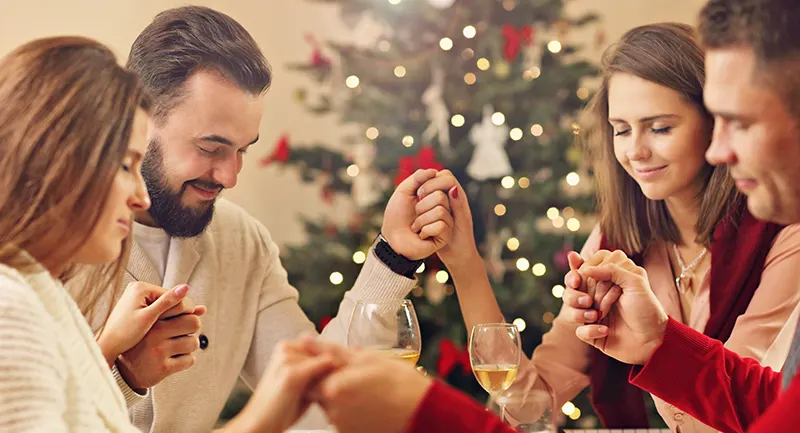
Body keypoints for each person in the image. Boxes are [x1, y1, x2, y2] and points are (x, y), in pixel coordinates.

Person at [83, 5, 456, 432]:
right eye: (210, 148)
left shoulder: (240, 240)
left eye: (242, 150)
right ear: (140, 119)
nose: (230, 176)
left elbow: (317, 390)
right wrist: (119, 372)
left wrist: (394, 256)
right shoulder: (53, 240)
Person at [413, 22, 800, 432]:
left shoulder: (783, 234)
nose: (636, 151)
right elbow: (530, 407)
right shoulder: (615, 239)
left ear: (714, 122)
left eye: (660, 127)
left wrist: (655, 345)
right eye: (622, 130)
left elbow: (745, 414)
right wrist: (466, 264)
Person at [0, 36, 347, 433]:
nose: (231, 177)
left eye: (243, 150)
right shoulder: (13, 308)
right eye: (125, 166)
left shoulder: (39, 292)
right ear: (59, 163)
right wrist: (258, 421)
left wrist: (113, 360)